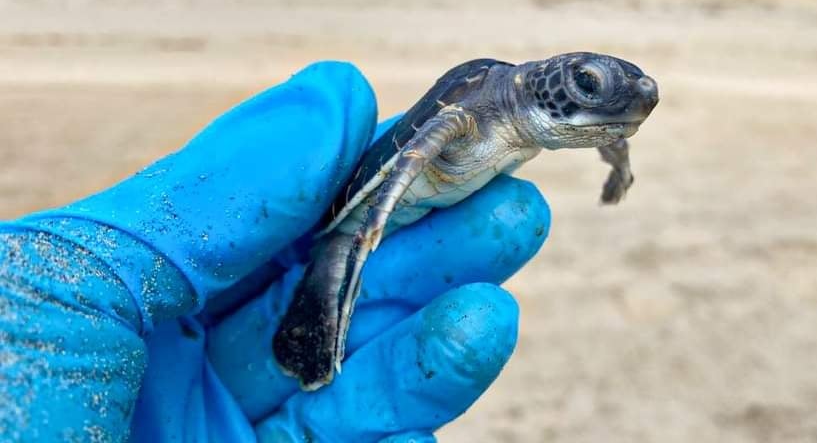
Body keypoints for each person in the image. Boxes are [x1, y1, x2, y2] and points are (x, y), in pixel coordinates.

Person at [0, 62, 551, 442]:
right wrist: (373, 220)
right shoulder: (473, 109)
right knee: (350, 258)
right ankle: (315, 328)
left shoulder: (550, 114)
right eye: (585, 83)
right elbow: (409, 159)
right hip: (362, 215)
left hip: (417, 207)